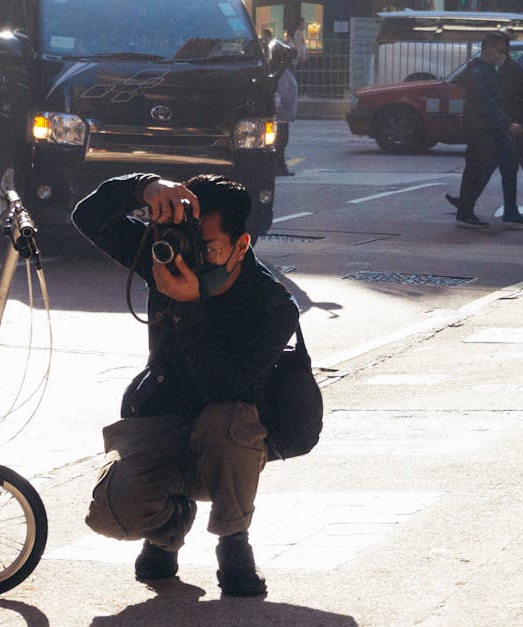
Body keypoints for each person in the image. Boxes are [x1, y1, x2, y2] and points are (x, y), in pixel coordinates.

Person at [72, 173, 299, 598]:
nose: (193, 260)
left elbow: (224, 387)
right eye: (189, 243)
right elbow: (88, 216)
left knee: (223, 421)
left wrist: (191, 305)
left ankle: (234, 542)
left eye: (208, 249)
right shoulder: (168, 258)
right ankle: (168, 527)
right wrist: (145, 187)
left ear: (241, 245)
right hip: (163, 417)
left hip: (232, 432)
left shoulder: (272, 306)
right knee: (111, 515)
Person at [448, 45, 523, 220]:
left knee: (508, 165)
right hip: (512, 124)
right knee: (514, 165)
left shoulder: (507, 71)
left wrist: (509, 124)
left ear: (498, 52)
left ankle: (469, 203)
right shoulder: (504, 68)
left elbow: (502, 100)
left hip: (514, 124)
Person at [446, 32, 523, 228]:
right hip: (481, 127)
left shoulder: (489, 69)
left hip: (493, 127)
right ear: (489, 48)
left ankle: (509, 210)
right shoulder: (478, 72)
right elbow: (486, 102)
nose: (503, 55)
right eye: (501, 50)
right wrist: (507, 123)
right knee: (478, 168)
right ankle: (465, 212)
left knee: (509, 163)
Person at [272, 40, 298, 176]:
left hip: (284, 113)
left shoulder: (285, 72)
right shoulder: (282, 74)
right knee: (281, 140)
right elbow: (281, 92)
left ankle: (280, 165)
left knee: (282, 140)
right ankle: (279, 166)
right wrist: (280, 106)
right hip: (281, 113)